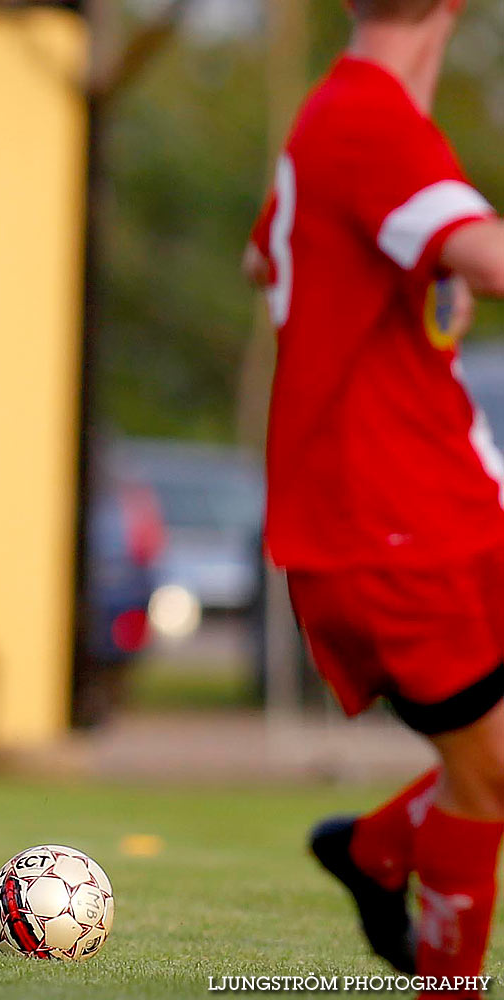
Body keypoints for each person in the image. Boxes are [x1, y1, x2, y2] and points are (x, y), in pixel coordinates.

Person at [247, 1, 504, 993]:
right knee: (487, 775)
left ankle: (376, 849)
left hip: (447, 494)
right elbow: (485, 256)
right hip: (388, 518)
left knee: (489, 765)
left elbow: (267, 254)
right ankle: (438, 964)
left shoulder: (353, 125)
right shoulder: (366, 123)